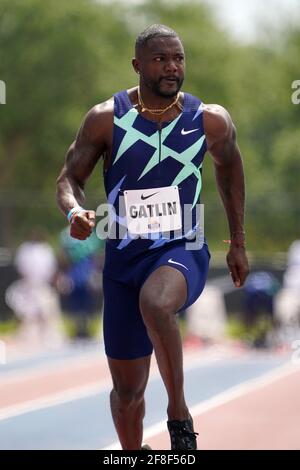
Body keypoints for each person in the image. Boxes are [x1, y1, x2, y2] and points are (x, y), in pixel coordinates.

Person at [56, 24, 249, 450]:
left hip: (183, 248)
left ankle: (178, 413)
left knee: (157, 303)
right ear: (137, 65)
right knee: (127, 396)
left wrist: (237, 240)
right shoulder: (106, 118)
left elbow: (231, 169)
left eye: (178, 58)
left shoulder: (209, 120)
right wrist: (75, 210)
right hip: (124, 261)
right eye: (161, 59)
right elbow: (69, 178)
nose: (172, 67)